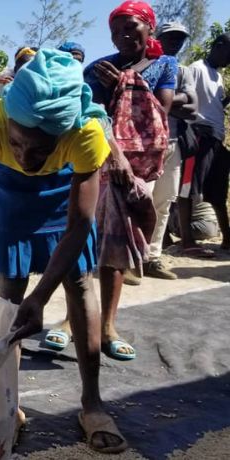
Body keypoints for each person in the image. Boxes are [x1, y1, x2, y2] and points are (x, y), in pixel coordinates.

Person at [0, 49, 127, 454]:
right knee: (11, 295)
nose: (26, 156)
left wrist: (43, 299)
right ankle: (10, 405)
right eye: (20, 143)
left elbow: (79, 226)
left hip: (65, 190)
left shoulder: (87, 134)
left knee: (79, 282)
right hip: (13, 196)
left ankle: (92, 403)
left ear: (64, 134)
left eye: (40, 149)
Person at [75, 0, 176, 361]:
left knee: (118, 241)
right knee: (85, 237)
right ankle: (78, 319)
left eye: (131, 27)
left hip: (137, 168)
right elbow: (91, 116)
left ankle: (107, 325)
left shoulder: (164, 65)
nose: (124, 35)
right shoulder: (97, 68)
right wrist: (112, 154)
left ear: (150, 28)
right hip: (99, 161)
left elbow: (160, 112)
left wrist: (125, 85)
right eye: (117, 30)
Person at [141, 22, 198, 279]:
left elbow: (192, 106)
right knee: (141, 200)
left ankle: (152, 257)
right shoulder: (146, 64)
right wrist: (169, 100)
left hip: (172, 142)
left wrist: (154, 96)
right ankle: (132, 257)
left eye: (180, 39)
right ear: (157, 37)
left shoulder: (184, 71)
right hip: (143, 143)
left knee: (164, 201)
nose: (176, 42)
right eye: (171, 37)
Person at [190, 33, 230, 252]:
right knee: (191, 189)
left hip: (217, 138)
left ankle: (227, 237)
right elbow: (189, 101)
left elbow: (214, 104)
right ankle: (180, 238)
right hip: (201, 137)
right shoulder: (197, 69)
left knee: (218, 190)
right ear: (219, 45)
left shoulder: (218, 75)